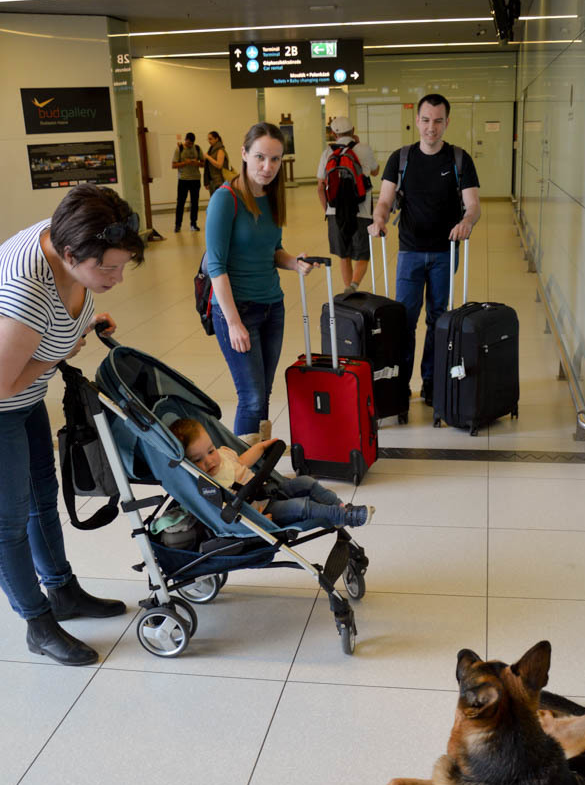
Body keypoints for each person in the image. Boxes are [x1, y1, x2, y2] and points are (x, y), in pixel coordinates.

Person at [0, 185, 144, 666]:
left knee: (43, 497)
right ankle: (37, 623)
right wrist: (58, 352)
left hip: (26, 396)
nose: (118, 277)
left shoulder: (72, 232)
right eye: (108, 268)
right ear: (68, 254)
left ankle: (61, 590)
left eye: (123, 265)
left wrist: (82, 322)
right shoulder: (24, 289)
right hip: (2, 400)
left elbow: (59, 315)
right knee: (9, 520)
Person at [205, 121, 316, 445]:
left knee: (264, 393)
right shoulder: (225, 199)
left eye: (275, 160)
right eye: (260, 157)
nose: (267, 167)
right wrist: (234, 322)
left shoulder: (272, 197)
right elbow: (216, 266)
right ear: (243, 154)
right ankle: (244, 476)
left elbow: (273, 250)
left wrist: (294, 263)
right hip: (236, 311)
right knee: (251, 396)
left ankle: (259, 464)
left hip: (272, 307)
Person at [369, 94, 482, 405]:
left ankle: (432, 383)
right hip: (409, 252)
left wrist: (467, 222)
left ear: (447, 122)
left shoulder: (459, 159)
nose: (431, 127)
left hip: (445, 253)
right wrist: (379, 219)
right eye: (426, 120)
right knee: (404, 320)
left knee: (438, 319)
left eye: (438, 121)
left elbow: (473, 205)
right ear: (417, 121)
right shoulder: (401, 158)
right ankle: (400, 385)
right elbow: (384, 201)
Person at [170, 419, 375, 528]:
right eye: (198, 460)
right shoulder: (207, 486)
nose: (209, 460)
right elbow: (220, 513)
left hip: (270, 489)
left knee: (306, 482)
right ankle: (344, 516)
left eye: (210, 450)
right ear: (188, 462)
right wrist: (255, 520)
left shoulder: (223, 455)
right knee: (302, 506)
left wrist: (261, 447)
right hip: (261, 509)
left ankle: (339, 506)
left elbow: (242, 461)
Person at [316, 116, 379, 291]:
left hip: (335, 211)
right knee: (362, 255)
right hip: (362, 211)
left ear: (333, 133)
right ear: (353, 131)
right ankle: (353, 285)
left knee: (344, 255)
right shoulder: (364, 149)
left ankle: (348, 291)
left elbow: (320, 186)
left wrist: (327, 211)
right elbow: (375, 171)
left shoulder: (327, 152)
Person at [172, 131, 204, 231]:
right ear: (185, 140)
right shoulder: (179, 149)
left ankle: (193, 224)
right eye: (188, 143)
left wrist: (196, 163)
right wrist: (185, 163)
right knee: (180, 202)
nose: (190, 145)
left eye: (191, 144)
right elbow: (173, 165)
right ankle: (178, 225)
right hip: (183, 179)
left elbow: (203, 164)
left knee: (195, 203)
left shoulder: (197, 148)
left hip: (195, 179)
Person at [203, 130, 230, 195]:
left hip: (219, 181)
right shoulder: (211, 150)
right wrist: (206, 181)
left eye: (210, 139)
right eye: (208, 139)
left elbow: (219, 165)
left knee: (219, 202)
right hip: (213, 180)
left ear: (216, 139)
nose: (209, 141)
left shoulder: (220, 150)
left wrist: (208, 157)